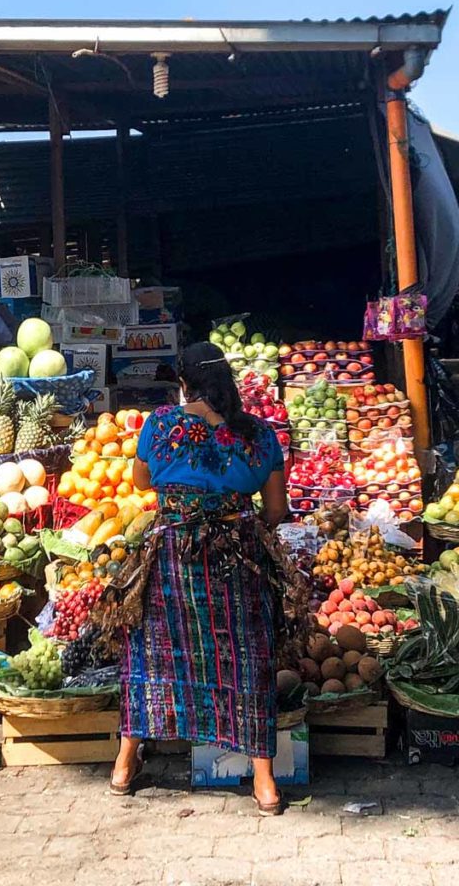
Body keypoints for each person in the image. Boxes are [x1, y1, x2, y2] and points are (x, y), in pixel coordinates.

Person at [96, 342, 305, 816]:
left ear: (184, 383)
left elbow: (142, 483)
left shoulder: (161, 425)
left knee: (151, 654)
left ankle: (124, 767)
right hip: (237, 562)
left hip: (172, 555)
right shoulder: (258, 434)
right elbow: (275, 510)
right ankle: (266, 785)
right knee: (247, 659)